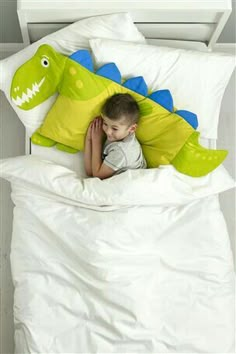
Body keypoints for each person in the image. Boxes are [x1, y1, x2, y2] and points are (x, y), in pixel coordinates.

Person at [84, 93, 147, 179]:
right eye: (105, 123)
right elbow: (89, 171)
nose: (108, 132)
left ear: (132, 128)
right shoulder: (117, 135)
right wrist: (89, 138)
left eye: (114, 128)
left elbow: (97, 176)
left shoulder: (122, 151)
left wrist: (96, 141)